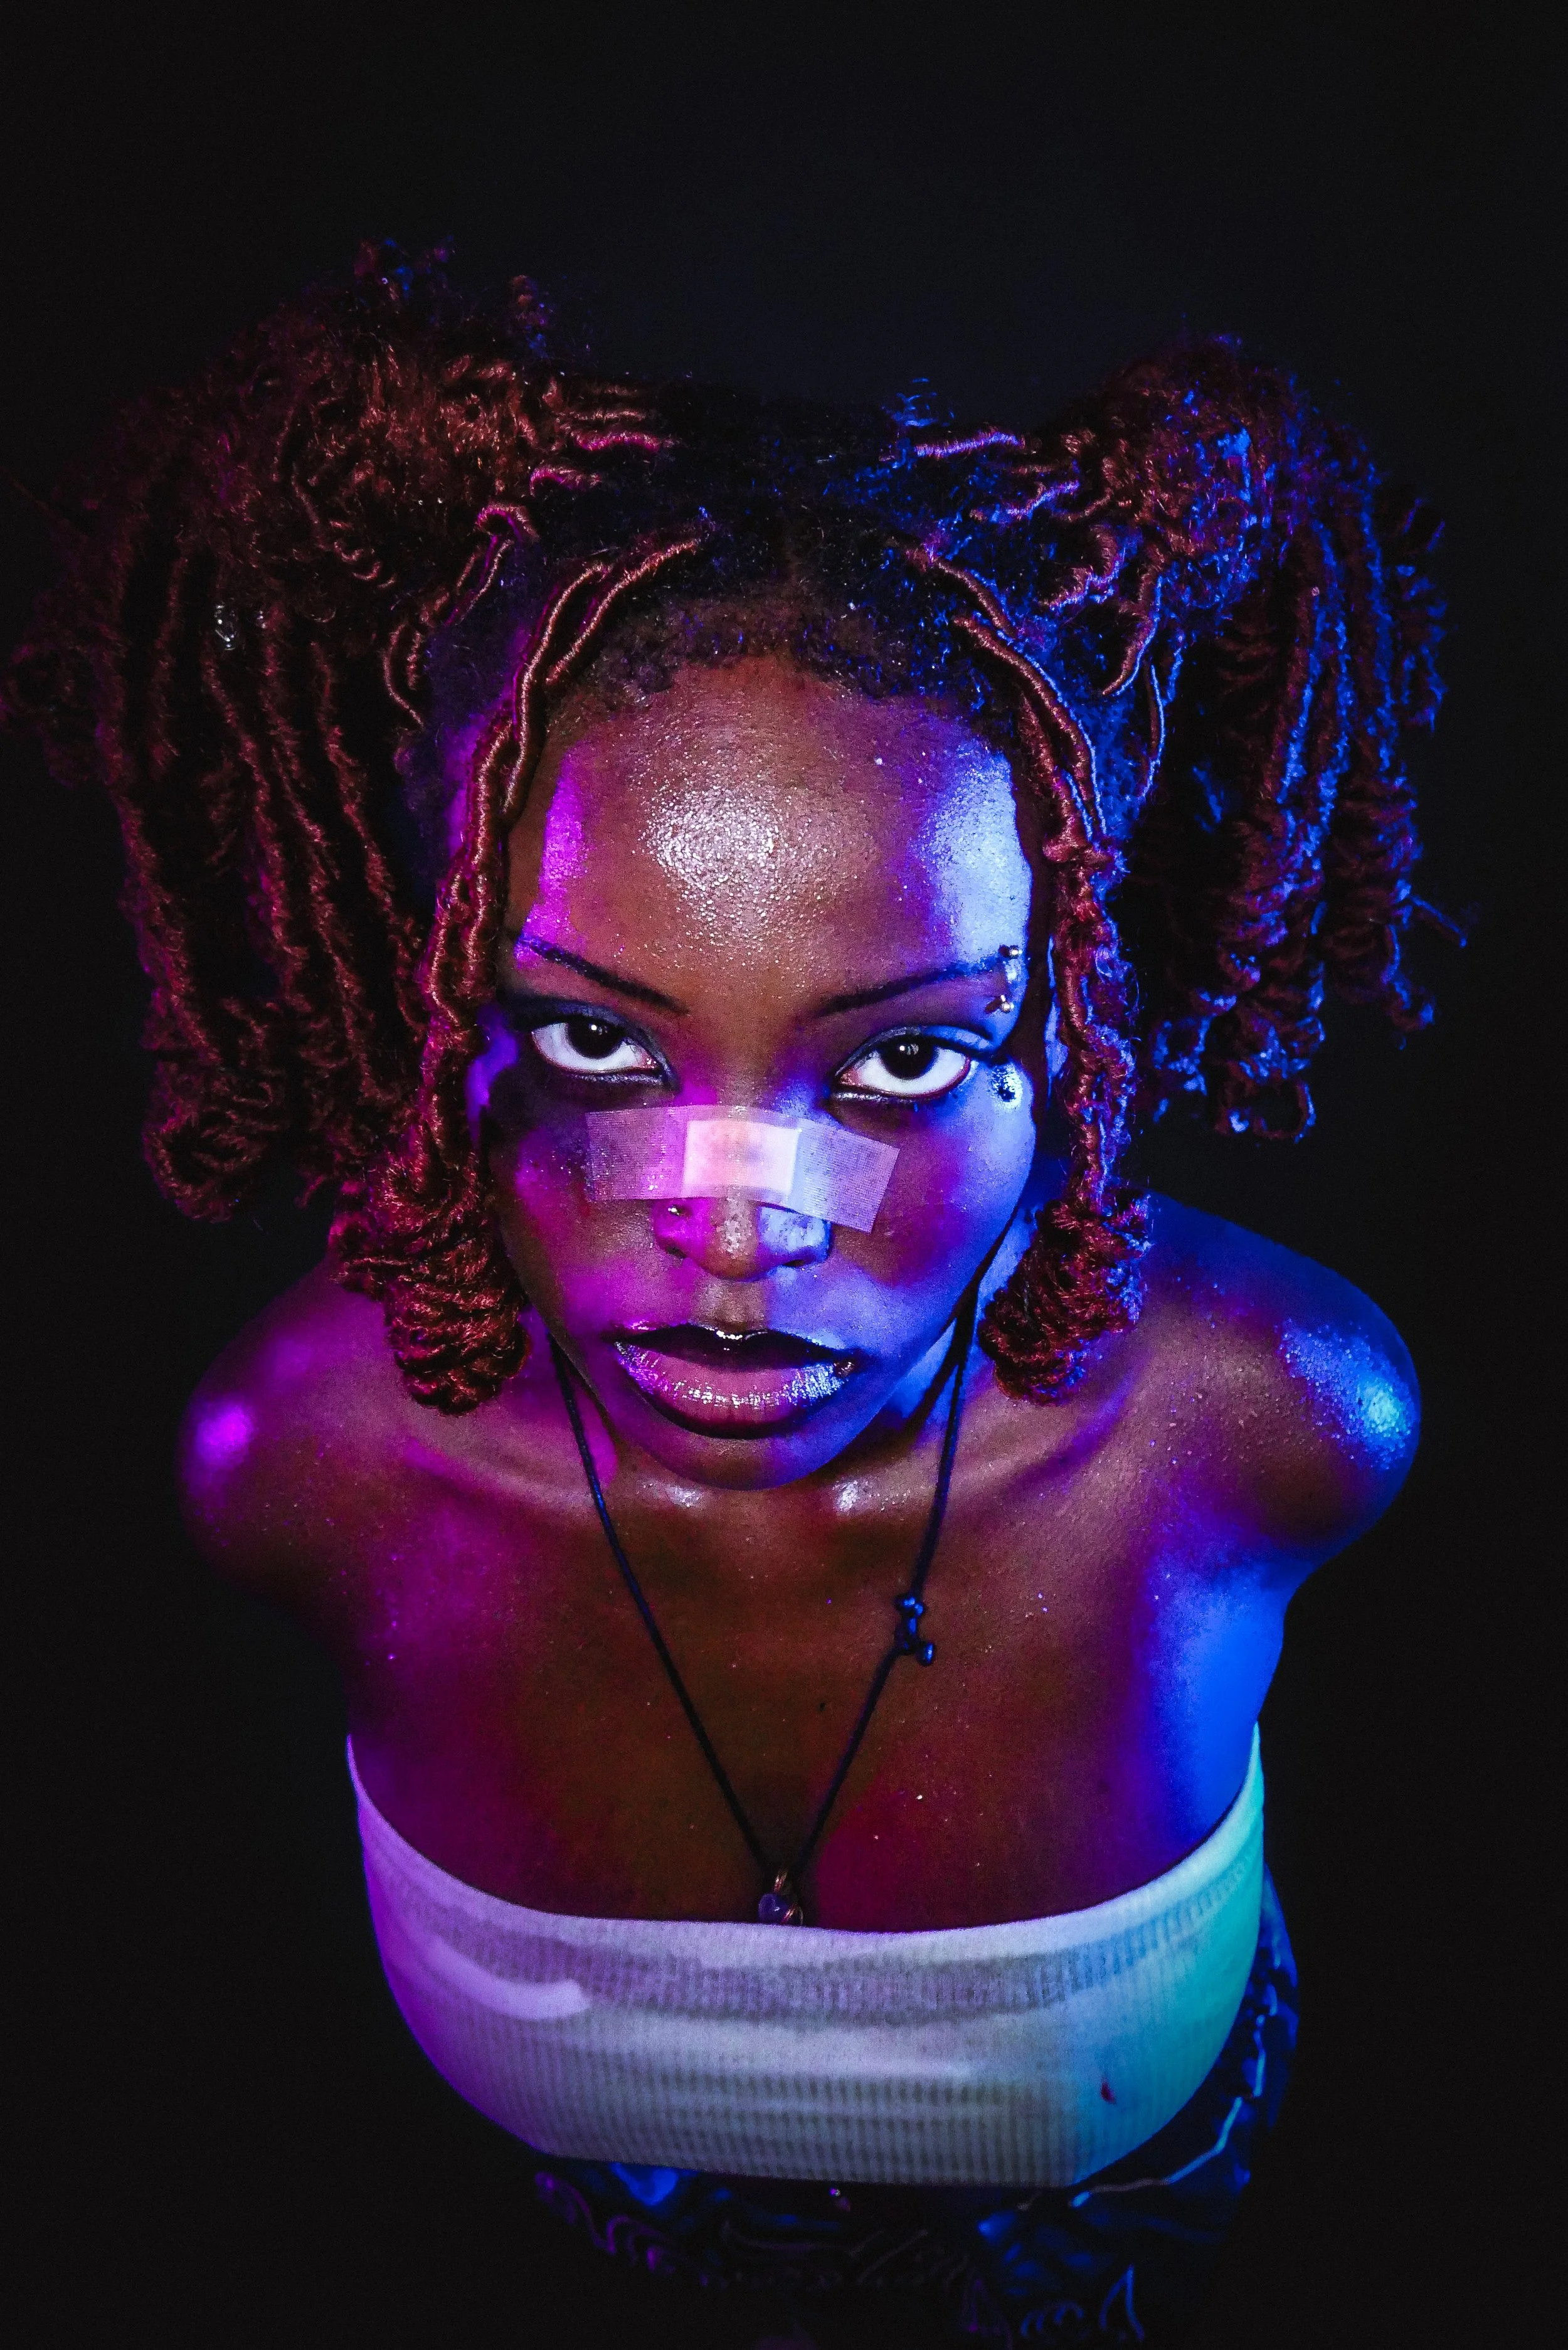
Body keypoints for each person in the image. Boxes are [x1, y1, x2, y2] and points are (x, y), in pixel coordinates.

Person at [6, 244, 1447, 2347]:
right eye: (595, 1046)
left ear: (1077, 1044)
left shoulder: (1273, 1428)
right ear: (434, 1017)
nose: (740, 1224)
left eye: (901, 1058)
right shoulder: (294, 1465)